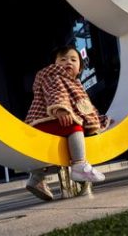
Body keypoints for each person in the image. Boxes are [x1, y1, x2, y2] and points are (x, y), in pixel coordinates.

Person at [23, 45, 111, 201]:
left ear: (80, 68)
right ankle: (79, 165)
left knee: (57, 152)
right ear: (54, 64)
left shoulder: (75, 84)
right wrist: (60, 109)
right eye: (62, 60)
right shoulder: (54, 76)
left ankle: (36, 179)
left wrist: (97, 119)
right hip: (47, 118)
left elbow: (85, 107)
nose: (67, 62)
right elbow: (56, 93)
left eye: (73, 59)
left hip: (47, 124)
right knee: (74, 126)